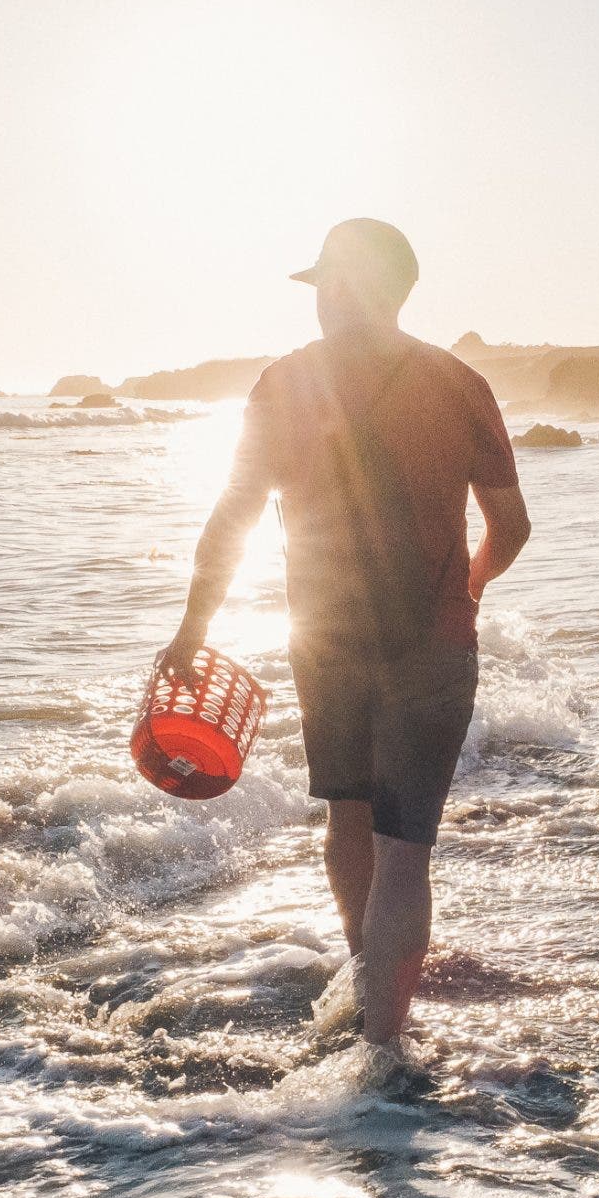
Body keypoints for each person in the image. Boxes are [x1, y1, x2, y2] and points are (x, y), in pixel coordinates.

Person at [163, 220, 531, 1050]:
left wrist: (194, 624)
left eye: (332, 282)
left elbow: (235, 517)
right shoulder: (457, 382)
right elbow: (510, 526)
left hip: (327, 639)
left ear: (362, 288)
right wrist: (469, 584)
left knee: (352, 822)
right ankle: (384, 1048)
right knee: (403, 849)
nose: (324, 298)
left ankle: (371, 991)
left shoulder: (286, 384)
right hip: (431, 638)